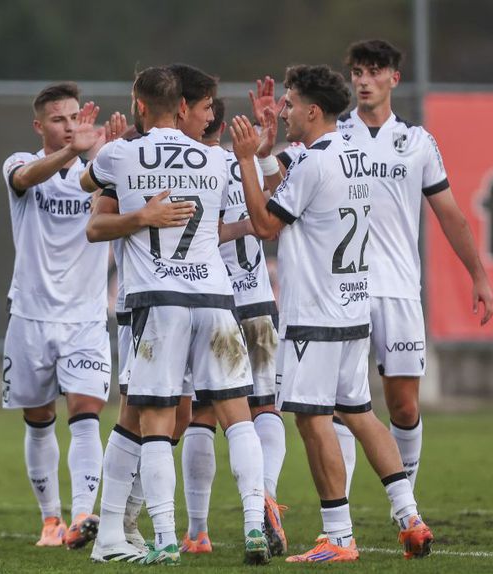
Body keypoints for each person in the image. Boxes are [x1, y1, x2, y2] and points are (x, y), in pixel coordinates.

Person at [230, 64, 434, 562]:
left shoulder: (314, 165)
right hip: (353, 311)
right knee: (361, 414)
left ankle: (338, 536)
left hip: (315, 315)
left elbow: (263, 224)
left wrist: (244, 161)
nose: (286, 111)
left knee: (312, 419)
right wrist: (264, 151)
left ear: (313, 110)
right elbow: (294, 173)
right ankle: (410, 517)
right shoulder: (357, 153)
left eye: (291, 104)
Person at [82, 66, 270, 566]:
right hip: (215, 303)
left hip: (157, 305)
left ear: (139, 105)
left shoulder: (121, 153)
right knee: (239, 418)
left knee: (156, 422)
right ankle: (255, 525)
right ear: (183, 108)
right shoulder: (215, 159)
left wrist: (134, 200)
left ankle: (164, 538)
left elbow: (89, 197)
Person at [330, 39, 493, 496]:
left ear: (393, 78)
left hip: (400, 289)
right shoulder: (334, 136)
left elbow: (450, 214)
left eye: (374, 71)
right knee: (343, 403)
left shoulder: (418, 142)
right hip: (345, 289)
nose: (363, 80)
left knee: (402, 405)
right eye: (357, 72)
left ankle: (405, 504)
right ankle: (338, 520)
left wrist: (478, 275)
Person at [169, 86, 288, 558]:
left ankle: (198, 530)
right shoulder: (243, 161)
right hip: (257, 298)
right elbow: (274, 200)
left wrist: (242, 224)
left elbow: (209, 228)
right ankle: (266, 499)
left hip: (213, 302)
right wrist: (263, 150)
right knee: (264, 409)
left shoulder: (197, 167)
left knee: (201, 413)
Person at [0, 82, 112, 550]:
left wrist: (105, 155)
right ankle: (50, 519)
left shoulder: (97, 172)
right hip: (30, 315)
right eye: (58, 120)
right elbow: (26, 179)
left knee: (86, 413)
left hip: (85, 317)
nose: (68, 127)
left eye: (74, 118)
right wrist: (72, 153)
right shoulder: (19, 165)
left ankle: (83, 515)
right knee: (40, 417)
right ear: (39, 126)